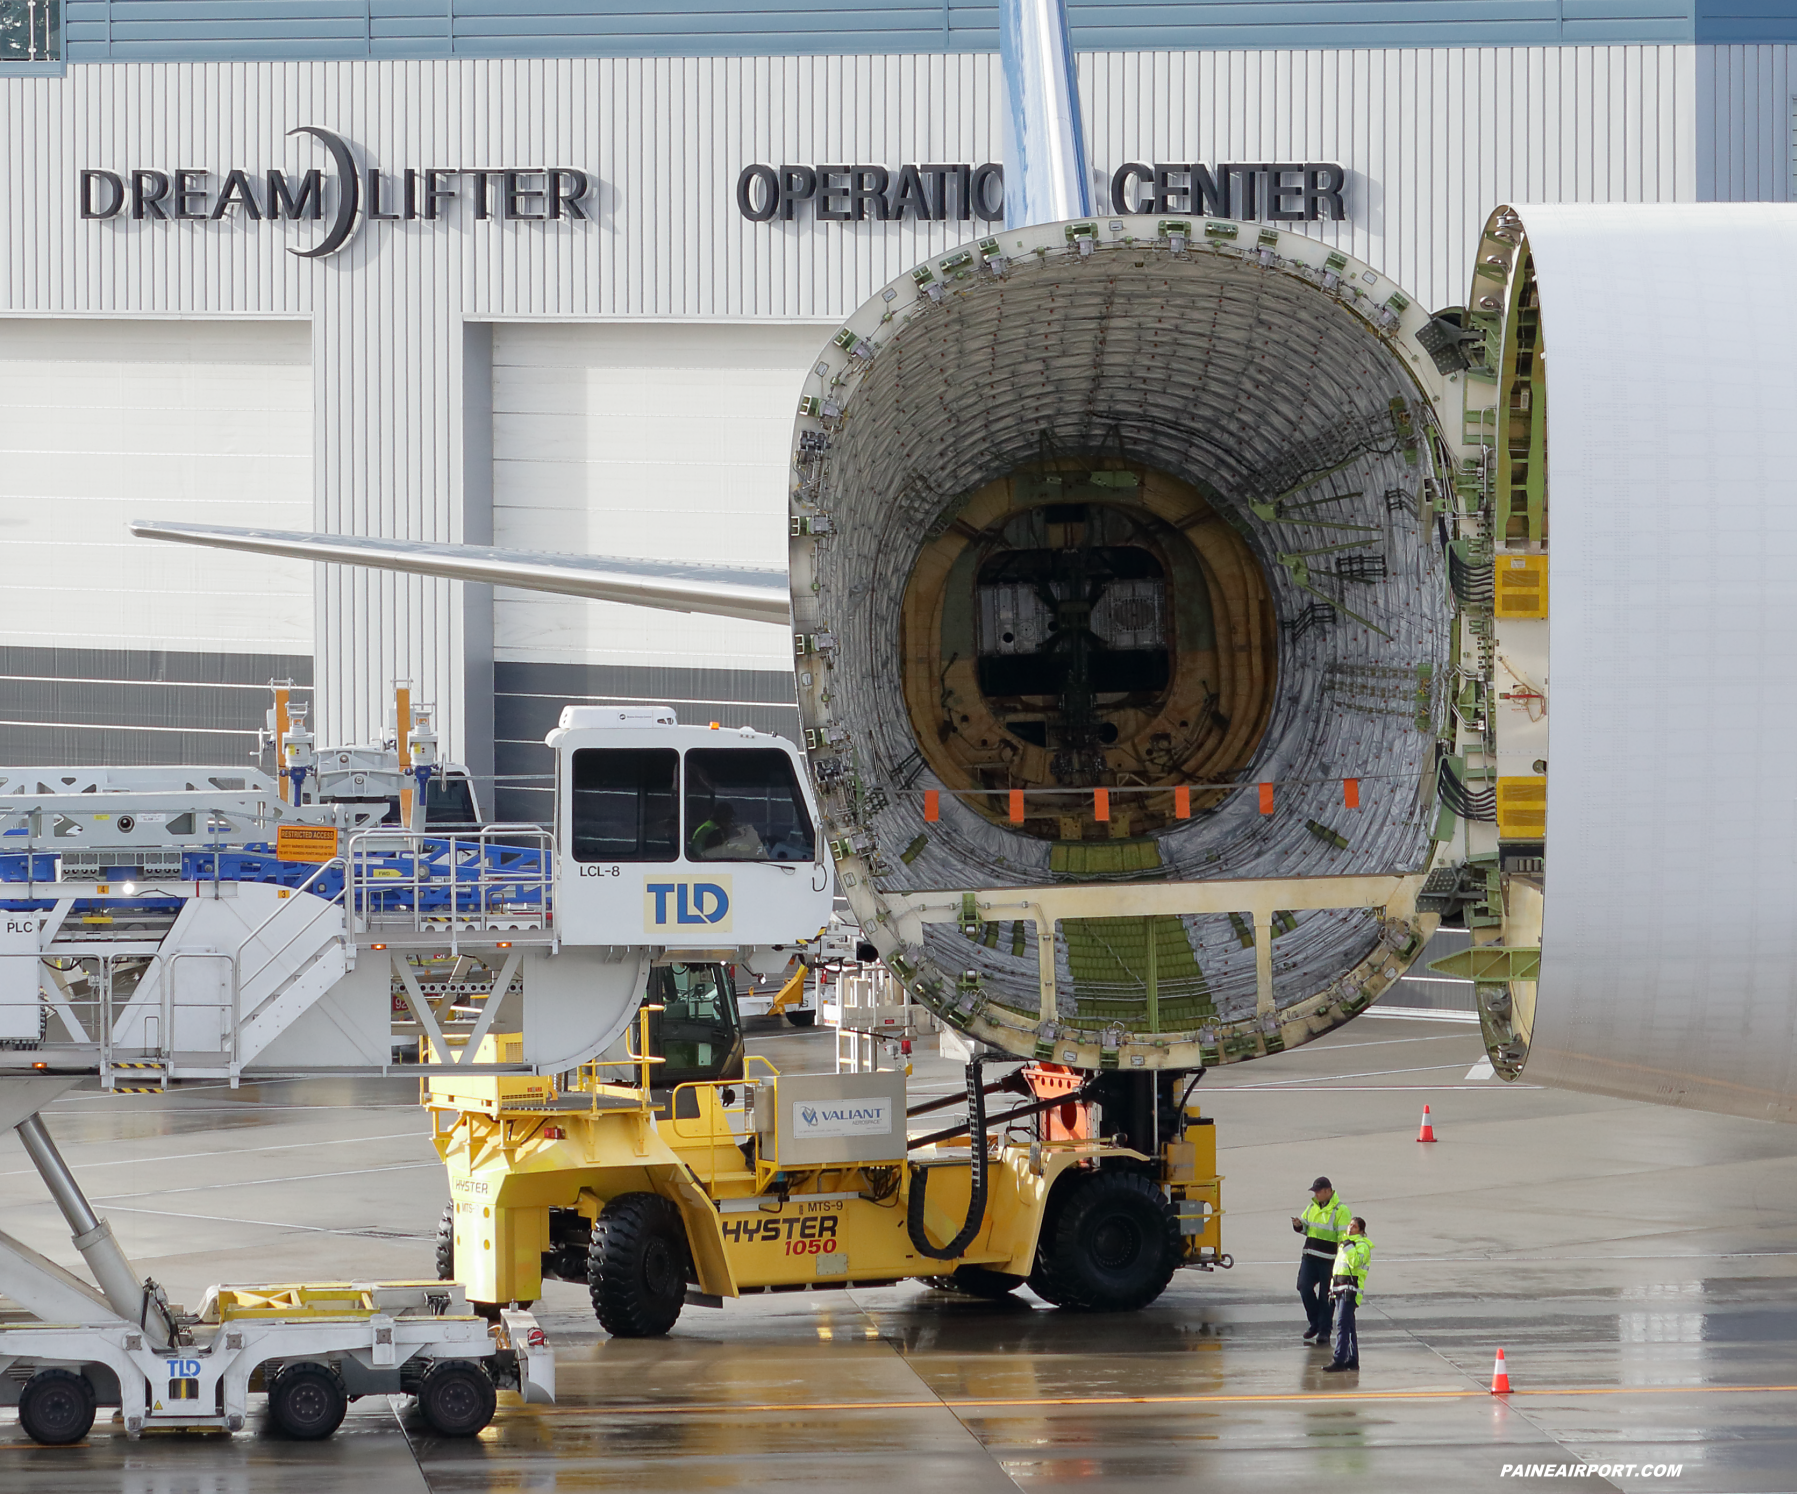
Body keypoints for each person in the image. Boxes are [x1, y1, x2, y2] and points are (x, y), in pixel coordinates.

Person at [1292, 1176, 1351, 1344]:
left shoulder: (1341, 1210)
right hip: (1310, 1256)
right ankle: (1315, 1323)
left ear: (1328, 1191)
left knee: (1327, 1296)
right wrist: (1298, 1225)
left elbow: (1343, 1238)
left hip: (1329, 1260)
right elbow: (1306, 1227)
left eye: (1318, 1191)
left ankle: (1324, 1331)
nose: (1316, 1194)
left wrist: (1342, 1261)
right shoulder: (1312, 1207)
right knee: (1303, 1287)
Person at [1322, 1216, 1373, 1373]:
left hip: (1350, 1289)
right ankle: (1352, 1359)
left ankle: (1339, 1359)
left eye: (1354, 1227)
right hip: (1340, 1288)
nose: (1350, 1228)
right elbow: (1338, 1269)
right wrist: (1332, 1288)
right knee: (1349, 1325)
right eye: (1350, 1225)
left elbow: (1355, 1263)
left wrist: (1349, 1247)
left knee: (1342, 1324)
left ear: (1361, 1231)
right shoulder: (1345, 1244)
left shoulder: (1361, 1245)